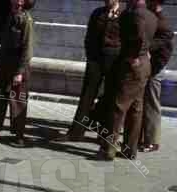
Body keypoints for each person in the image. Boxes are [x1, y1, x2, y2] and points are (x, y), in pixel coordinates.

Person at [97, 0, 157, 161]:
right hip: (144, 64)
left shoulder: (135, 14)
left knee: (118, 107)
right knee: (136, 109)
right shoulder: (151, 15)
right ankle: (130, 150)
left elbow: (138, 37)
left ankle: (108, 149)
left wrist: (133, 56)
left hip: (133, 65)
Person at [62, 0, 121, 141]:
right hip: (95, 59)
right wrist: (90, 55)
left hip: (114, 60)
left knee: (110, 96)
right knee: (87, 95)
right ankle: (76, 132)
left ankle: (104, 135)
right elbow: (89, 36)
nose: (107, 1)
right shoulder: (97, 13)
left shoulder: (124, 15)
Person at [0, 0, 35, 147]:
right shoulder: (10, 17)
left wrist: (19, 72)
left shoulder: (26, 20)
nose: (16, 3)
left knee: (18, 101)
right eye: (14, 0)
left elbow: (28, 48)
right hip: (4, 66)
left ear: (24, 3)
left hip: (19, 67)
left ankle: (19, 134)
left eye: (20, 1)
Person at [138, 0, 174, 153]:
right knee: (144, 103)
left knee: (152, 104)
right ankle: (142, 138)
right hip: (149, 68)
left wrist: (153, 68)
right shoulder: (153, 19)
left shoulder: (162, 24)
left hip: (154, 69)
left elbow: (164, 53)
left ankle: (152, 141)